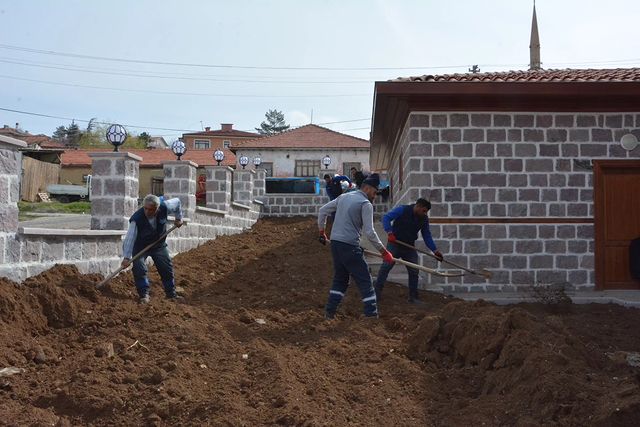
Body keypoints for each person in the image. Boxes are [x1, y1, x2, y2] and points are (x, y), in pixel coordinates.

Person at [318, 173, 394, 319]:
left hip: (336, 245)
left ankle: (330, 311)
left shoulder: (343, 197)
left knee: (341, 279)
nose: (375, 196)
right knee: (365, 279)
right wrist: (384, 252)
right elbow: (370, 232)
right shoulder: (365, 204)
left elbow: (322, 211)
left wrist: (322, 232)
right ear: (366, 188)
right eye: (375, 191)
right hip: (349, 245)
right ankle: (371, 314)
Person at [374, 198, 443, 303]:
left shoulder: (424, 219)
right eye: (424, 210)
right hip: (395, 244)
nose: (425, 213)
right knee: (386, 267)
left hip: (409, 247)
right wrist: (389, 232)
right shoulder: (403, 210)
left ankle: (413, 297)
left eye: (426, 212)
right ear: (418, 206)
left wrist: (435, 251)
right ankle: (376, 294)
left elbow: (427, 235)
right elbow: (386, 218)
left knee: (414, 270)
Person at [121, 194, 184, 303]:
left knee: (166, 268)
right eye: (145, 208)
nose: (147, 211)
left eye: (151, 209)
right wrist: (126, 257)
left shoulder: (165, 207)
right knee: (139, 268)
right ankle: (144, 295)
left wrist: (179, 218)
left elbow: (177, 202)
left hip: (159, 245)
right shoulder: (137, 219)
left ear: (157, 209)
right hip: (140, 247)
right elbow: (129, 239)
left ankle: (171, 294)